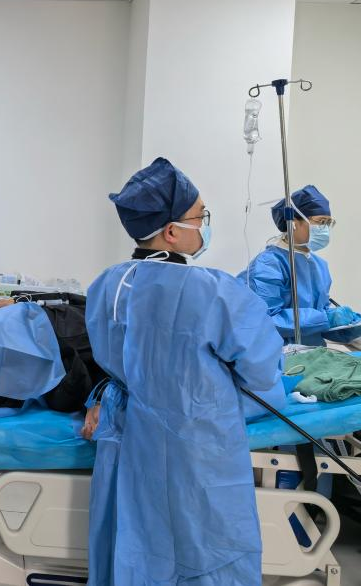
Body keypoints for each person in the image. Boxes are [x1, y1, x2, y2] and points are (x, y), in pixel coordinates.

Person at [84, 157, 283, 586]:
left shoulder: (106, 285)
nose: (205, 226)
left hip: (127, 436)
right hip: (198, 444)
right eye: (200, 217)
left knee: (134, 547)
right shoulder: (213, 291)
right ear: (172, 232)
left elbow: (110, 362)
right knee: (205, 552)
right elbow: (263, 369)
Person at [239, 185, 361, 347]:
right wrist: (325, 318)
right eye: (321, 222)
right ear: (293, 222)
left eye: (329, 223)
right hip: (278, 356)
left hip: (313, 353)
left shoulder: (319, 265)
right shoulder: (267, 266)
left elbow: (318, 321)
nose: (325, 229)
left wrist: (346, 326)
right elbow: (267, 320)